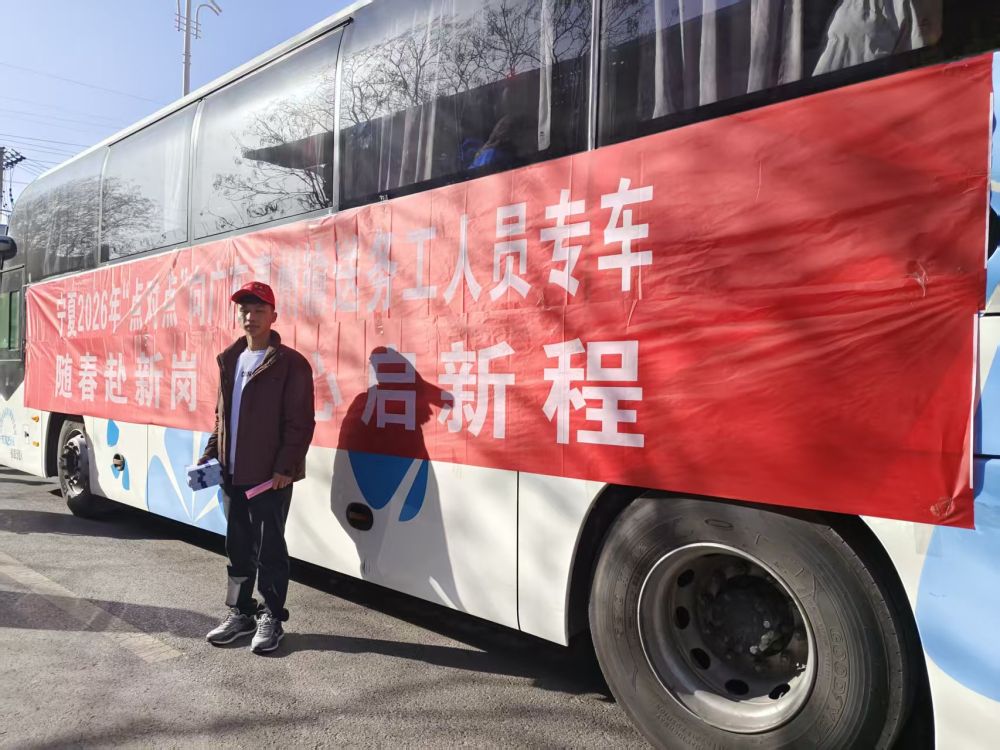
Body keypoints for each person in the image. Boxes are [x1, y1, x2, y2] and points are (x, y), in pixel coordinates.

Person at [201, 280, 315, 654]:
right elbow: (221, 418)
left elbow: (300, 423)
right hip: (231, 475)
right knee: (237, 548)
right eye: (245, 311)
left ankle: (272, 617)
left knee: (270, 551)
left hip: (269, 479)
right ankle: (240, 613)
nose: (251, 317)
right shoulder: (230, 359)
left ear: (273, 316)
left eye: (259, 311)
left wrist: (284, 467)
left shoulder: (290, 364)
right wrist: (210, 455)